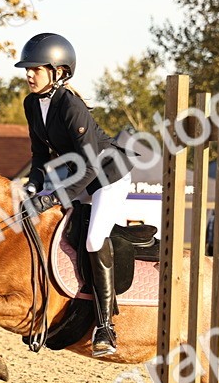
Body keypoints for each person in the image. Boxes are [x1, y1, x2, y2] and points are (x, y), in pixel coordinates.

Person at [16, 32, 134, 357]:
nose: (29, 74)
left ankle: (105, 325)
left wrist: (52, 197)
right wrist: (31, 187)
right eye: (27, 69)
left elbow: (90, 166)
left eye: (36, 69)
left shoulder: (71, 104)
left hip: (107, 177)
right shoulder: (31, 104)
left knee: (94, 239)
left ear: (59, 71)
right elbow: (40, 156)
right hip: (76, 175)